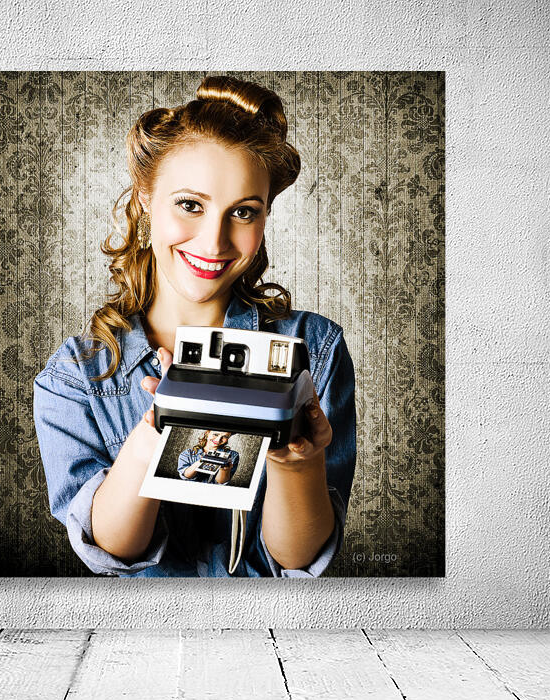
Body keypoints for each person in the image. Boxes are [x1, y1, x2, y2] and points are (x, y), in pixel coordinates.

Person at [33, 75, 357, 578]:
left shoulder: (311, 348)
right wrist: (152, 435)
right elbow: (114, 552)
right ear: (145, 198)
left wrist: (297, 462)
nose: (213, 241)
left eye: (243, 212)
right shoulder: (78, 374)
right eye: (190, 204)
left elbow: (298, 559)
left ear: (265, 216)